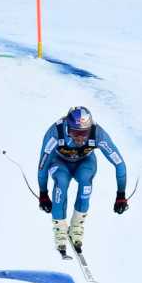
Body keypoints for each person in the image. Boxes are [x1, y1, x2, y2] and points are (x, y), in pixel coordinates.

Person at [37, 106, 128, 256]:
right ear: (67, 128)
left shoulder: (98, 134)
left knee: (86, 181)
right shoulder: (55, 133)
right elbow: (42, 166)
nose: (80, 138)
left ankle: (77, 227)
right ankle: (60, 229)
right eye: (75, 133)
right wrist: (43, 193)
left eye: (84, 133)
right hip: (59, 162)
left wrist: (121, 195)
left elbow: (119, 163)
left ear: (90, 129)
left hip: (84, 162)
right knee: (61, 182)